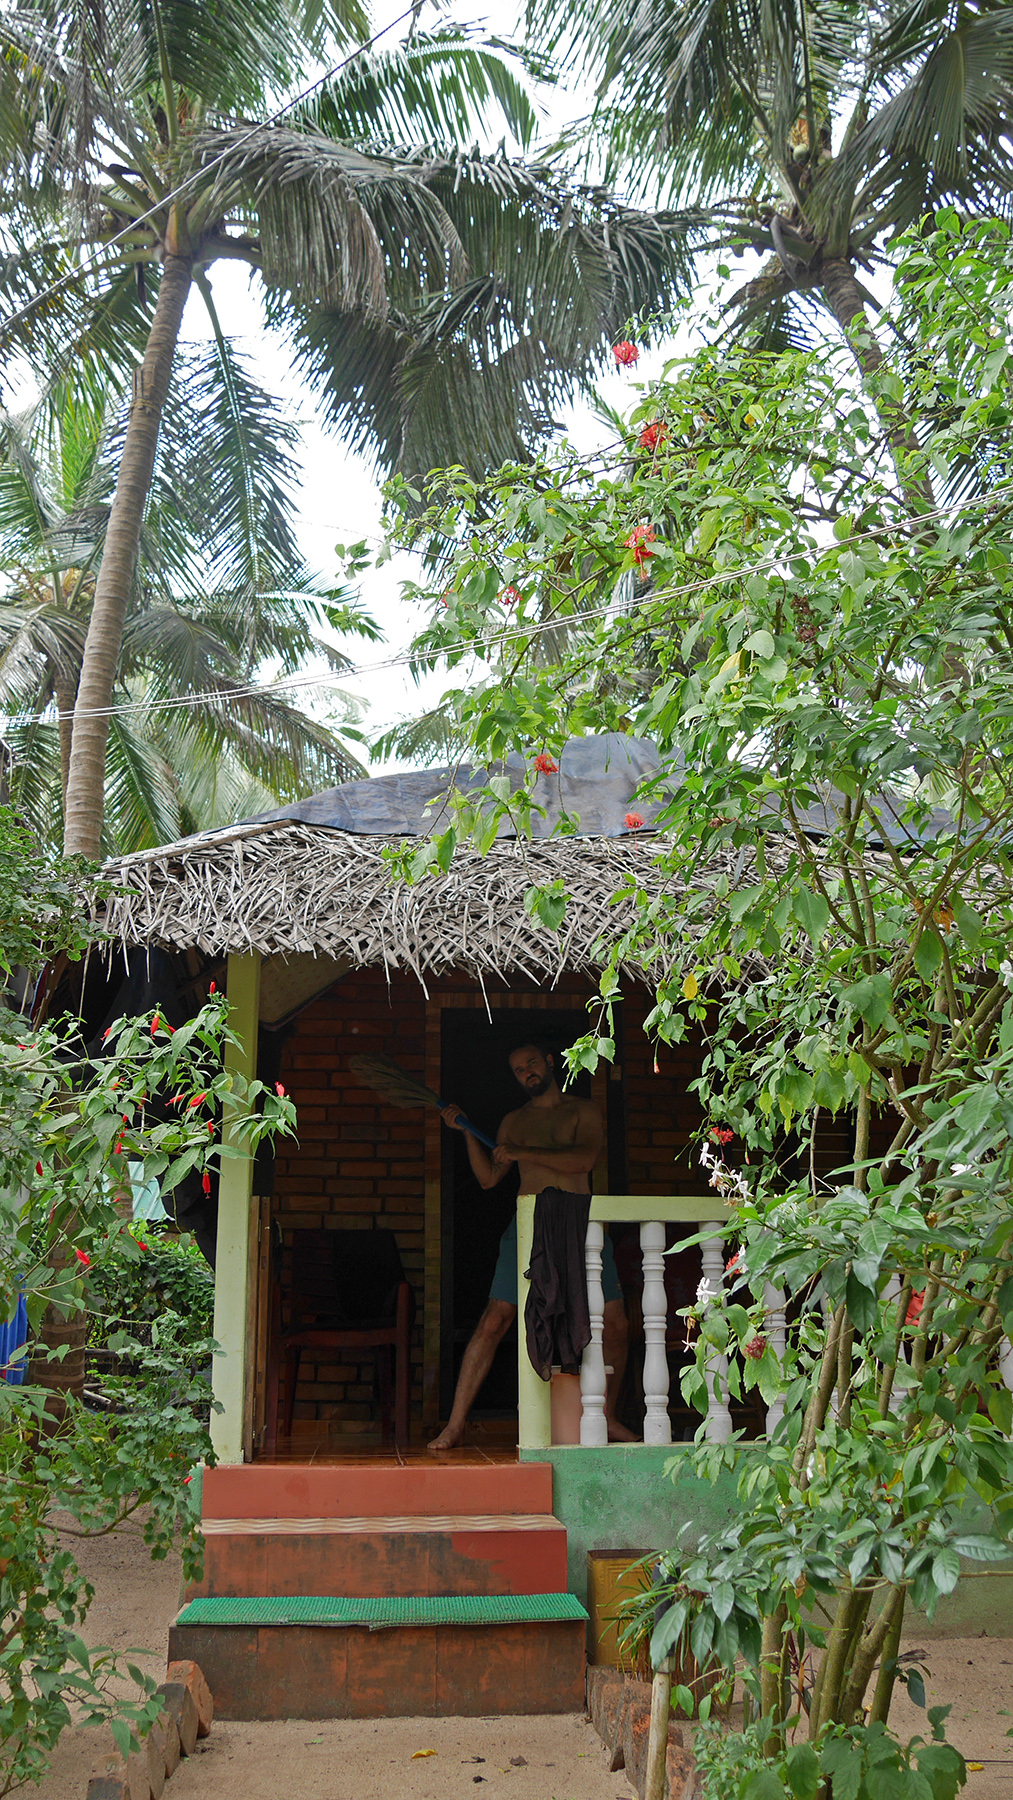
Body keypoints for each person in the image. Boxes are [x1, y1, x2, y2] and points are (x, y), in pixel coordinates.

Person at [428, 1041, 636, 1450]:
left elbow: (584, 1160)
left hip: (582, 1225)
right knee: (494, 1320)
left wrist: (523, 1152)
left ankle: (607, 1416)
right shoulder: (511, 1122)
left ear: (550, 1061)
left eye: (532, 1064)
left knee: (616, 1324)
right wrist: (467, 1131)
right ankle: (454, 1425)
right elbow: (490, 1178)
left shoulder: (582, 1110)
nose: (527, 1072)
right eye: (518, 1069)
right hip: (527, 1228)